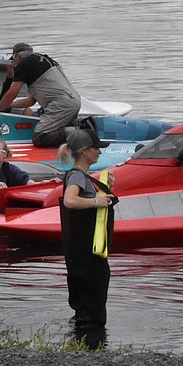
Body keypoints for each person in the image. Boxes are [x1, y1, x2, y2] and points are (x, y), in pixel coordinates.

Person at [58, 127, 115, 348]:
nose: (99, 153)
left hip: (82, 252)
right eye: (96, 149)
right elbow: (69, 201)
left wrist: (105, 189)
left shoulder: (84, 177)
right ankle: (93, 347)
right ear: (84, 151)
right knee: (92, 304)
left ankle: (80, 343)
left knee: (85, 303)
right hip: (86, 255)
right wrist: (96, 202)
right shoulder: (76, 176)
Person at [0, 43, 82, 147]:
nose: (14, 64)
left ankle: (77, 132)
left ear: (17, 56)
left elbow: (11, 94)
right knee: (52, 128)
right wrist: (7, 105)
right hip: (74, 101)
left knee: (39, 138)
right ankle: (76, 129)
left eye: (13, 60)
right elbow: (30, 101)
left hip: (61, 105)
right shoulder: (44, 60)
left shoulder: (24, 64)